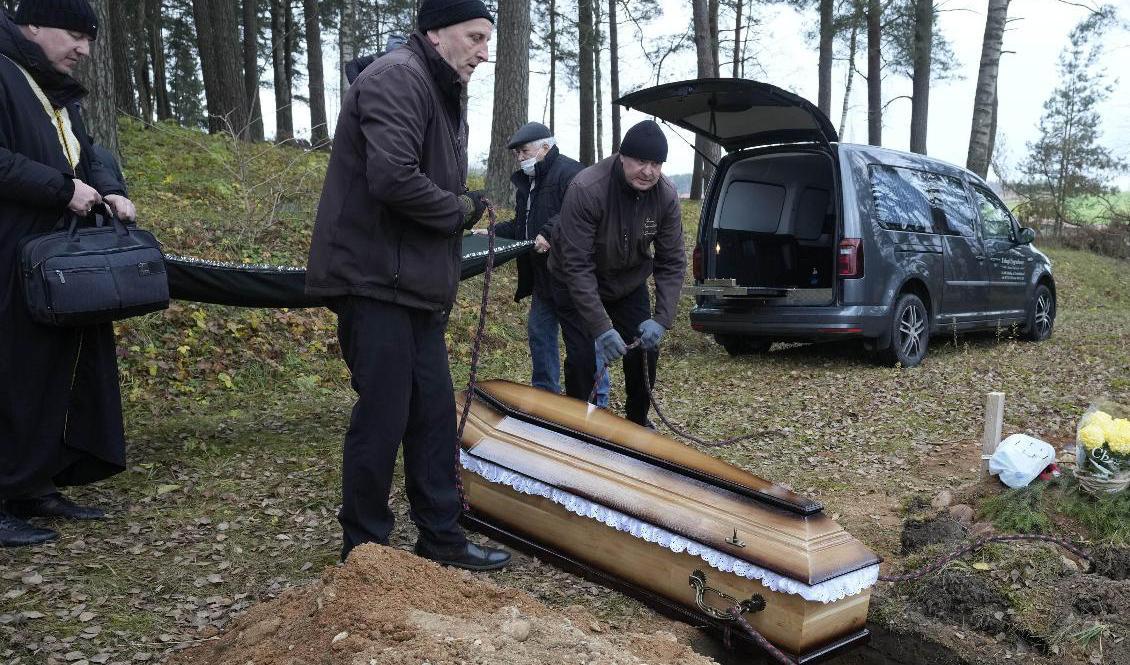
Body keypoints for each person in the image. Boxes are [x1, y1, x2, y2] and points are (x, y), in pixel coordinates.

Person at [305, 0, 510, 571]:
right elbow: (392, 177)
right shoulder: (398, 77)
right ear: (435, 32)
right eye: (474, 37)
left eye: (487, 40)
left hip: (412, 286)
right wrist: (459, 211)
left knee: (434, 416)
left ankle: (440, 539)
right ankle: (366, 551)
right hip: (375, 281)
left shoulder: (438, 87)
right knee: (385, 416)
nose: (484, 52)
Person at [0, 0, 139, 547]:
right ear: (32, 23)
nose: (84, 49)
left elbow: (87, 149)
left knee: (49, 372)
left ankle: (32, 483)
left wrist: (110, 188)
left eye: (90, 38)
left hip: (53, 259)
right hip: (9, 252)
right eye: (75, 34)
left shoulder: (45, 80)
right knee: (10, 374)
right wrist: (62, 189)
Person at [548, 120, 686, 427]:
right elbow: (577, 266)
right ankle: (578, 427)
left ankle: (637, 423)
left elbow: (672, 261)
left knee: (646, 353)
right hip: (576, 283)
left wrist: (662, 319)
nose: (648, 172)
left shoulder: (665, 196)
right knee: (584, 360)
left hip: (627, 282)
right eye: (640, 161)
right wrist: (601, 327)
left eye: (656, 164)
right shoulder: (587, 189)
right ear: (622, 156)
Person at [484, 122, 611, 405]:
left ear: (545, 147)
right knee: (540, 335)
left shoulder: (572, 173)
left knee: (586, 343)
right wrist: (492, 232)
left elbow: (579, 214)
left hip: (574, 278)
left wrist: (549, 232)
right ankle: (546, 400)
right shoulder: (527, 183)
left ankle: (597, 402)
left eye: (524, 150)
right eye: (517, 153)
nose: (520, 157)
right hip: (543, 279)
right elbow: (523, 225)